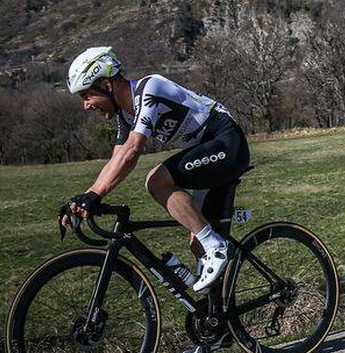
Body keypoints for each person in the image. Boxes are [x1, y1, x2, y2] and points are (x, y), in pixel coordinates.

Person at [61, 46, 250, 292]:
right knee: (197, 241)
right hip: (208, 152)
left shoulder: (150, 89)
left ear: (106, 85)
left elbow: (133, 150)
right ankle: (217, 318)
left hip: (227, 143)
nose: (86, 105)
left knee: (157, 181)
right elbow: (116, 159)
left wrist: (95, 195)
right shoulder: (126, 117)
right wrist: (84, 198)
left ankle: (218, 248)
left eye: (87, 96)